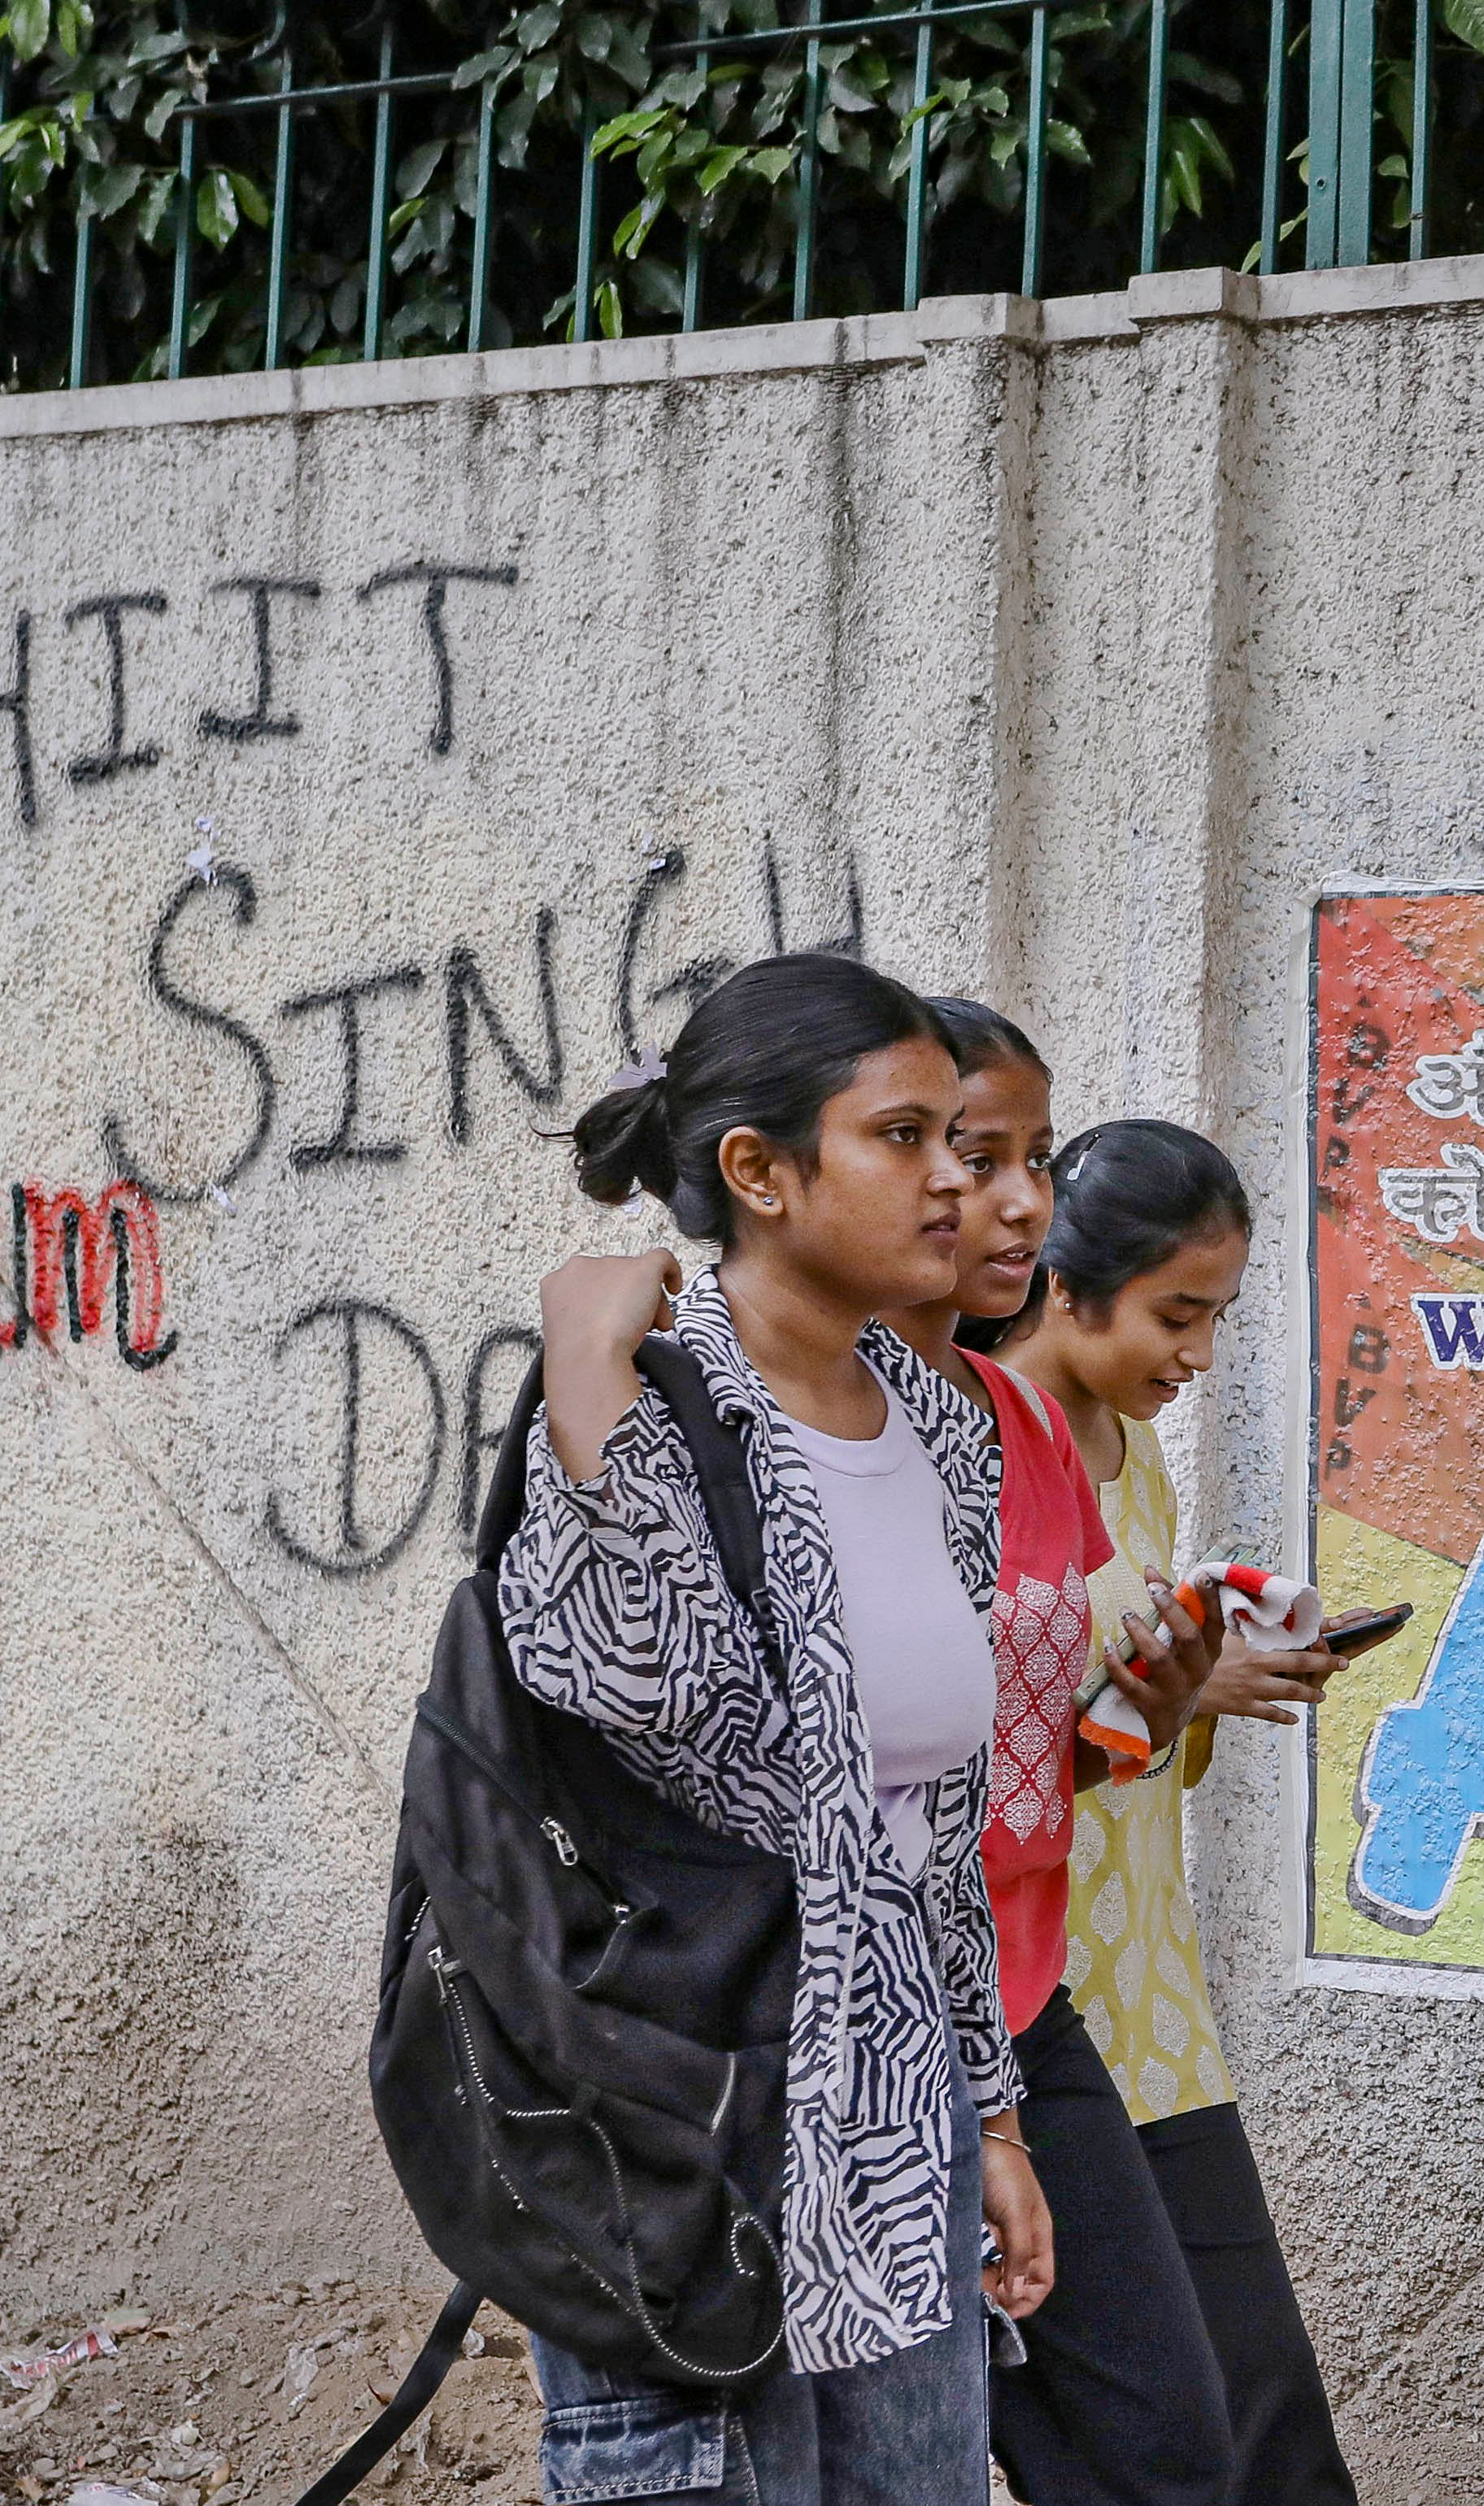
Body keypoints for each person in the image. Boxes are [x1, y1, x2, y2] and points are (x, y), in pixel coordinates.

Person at [500, 953, 1055, 2505]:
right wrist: (590, 1375)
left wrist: (988, 2113)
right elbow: (666, 1706)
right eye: (904, 1137)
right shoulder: (649, 1407)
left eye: (961, 1133)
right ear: (758, 1170)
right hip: (694, 2137)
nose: (956, 1177)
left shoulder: (940, 1422)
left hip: (896, 2132)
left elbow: (920, 1834)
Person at [876, 1003, 1240, 2506]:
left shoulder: (1020, 1443)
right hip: (864, 2037)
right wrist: (980, 2108)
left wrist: (1168, 1699)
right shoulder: (778, 1425)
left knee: (1165, 2445)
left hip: (1025, 2003)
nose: (1028, 1197)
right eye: (969, 1152)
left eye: (1036, 1153)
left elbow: (1031, 1772)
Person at [993, 1118, 1363, 2506]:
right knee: (1134, 2453)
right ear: (1067, 1284)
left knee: (1265, 2424)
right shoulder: (972, 1441)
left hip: (1154, 2016)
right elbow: (991, 1761)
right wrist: (1173, 1692)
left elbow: (1123, 1736)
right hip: (1026, 2020)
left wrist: (1194, 1677)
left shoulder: (1132, 1456)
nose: (1198, 1354)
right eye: (1176, 1313)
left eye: (1216, 1317)